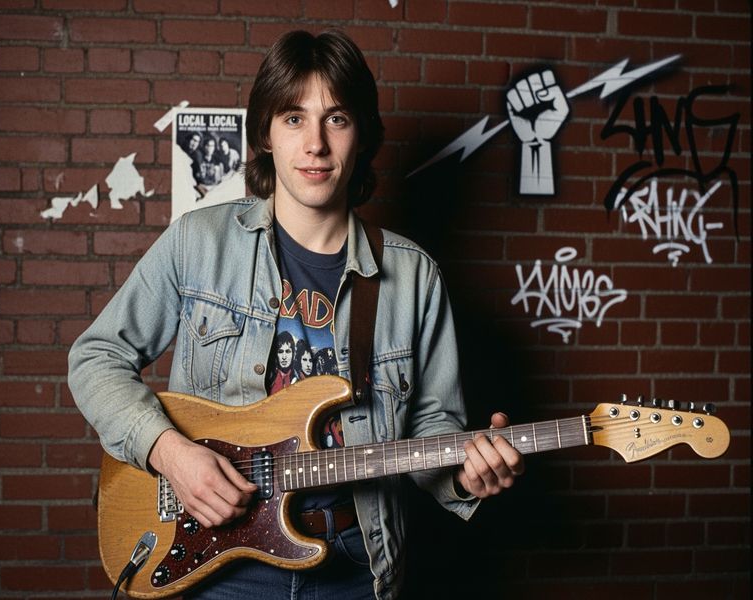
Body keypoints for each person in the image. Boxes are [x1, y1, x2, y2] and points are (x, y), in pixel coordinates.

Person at [68, 29, 523, 600]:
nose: (315, 144)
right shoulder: (199, 243)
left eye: (337, 119)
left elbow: (432, 430)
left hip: (356, 566)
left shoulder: (414, 277)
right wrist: (170, 452)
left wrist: (466, 473)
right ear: (266, 133)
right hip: (215, 564)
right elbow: (96, 357)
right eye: (293, 118)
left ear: (362, 134)